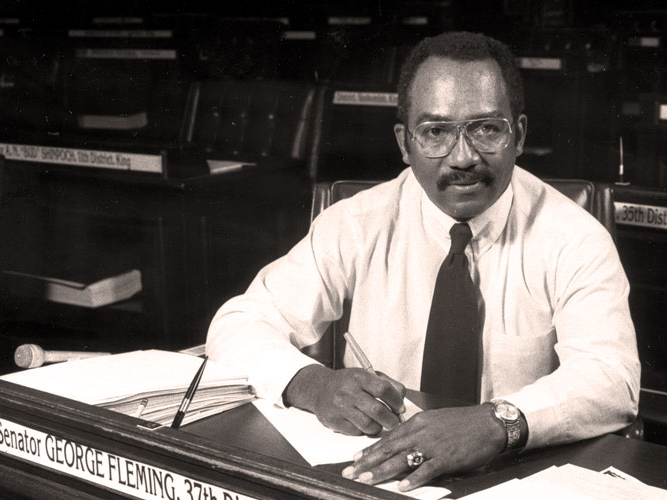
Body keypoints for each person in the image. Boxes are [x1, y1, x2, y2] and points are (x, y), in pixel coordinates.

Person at [207, 31, 639, 491]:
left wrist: (495, 423)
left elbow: (612, 379)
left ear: (520, 135)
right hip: (380, 478)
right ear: (404, 142)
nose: (463, 157)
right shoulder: (359, 222)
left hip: (517, 478)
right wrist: (311, 384)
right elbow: (238, 321)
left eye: (487, 128)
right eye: (436, 132)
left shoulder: (575, 237)